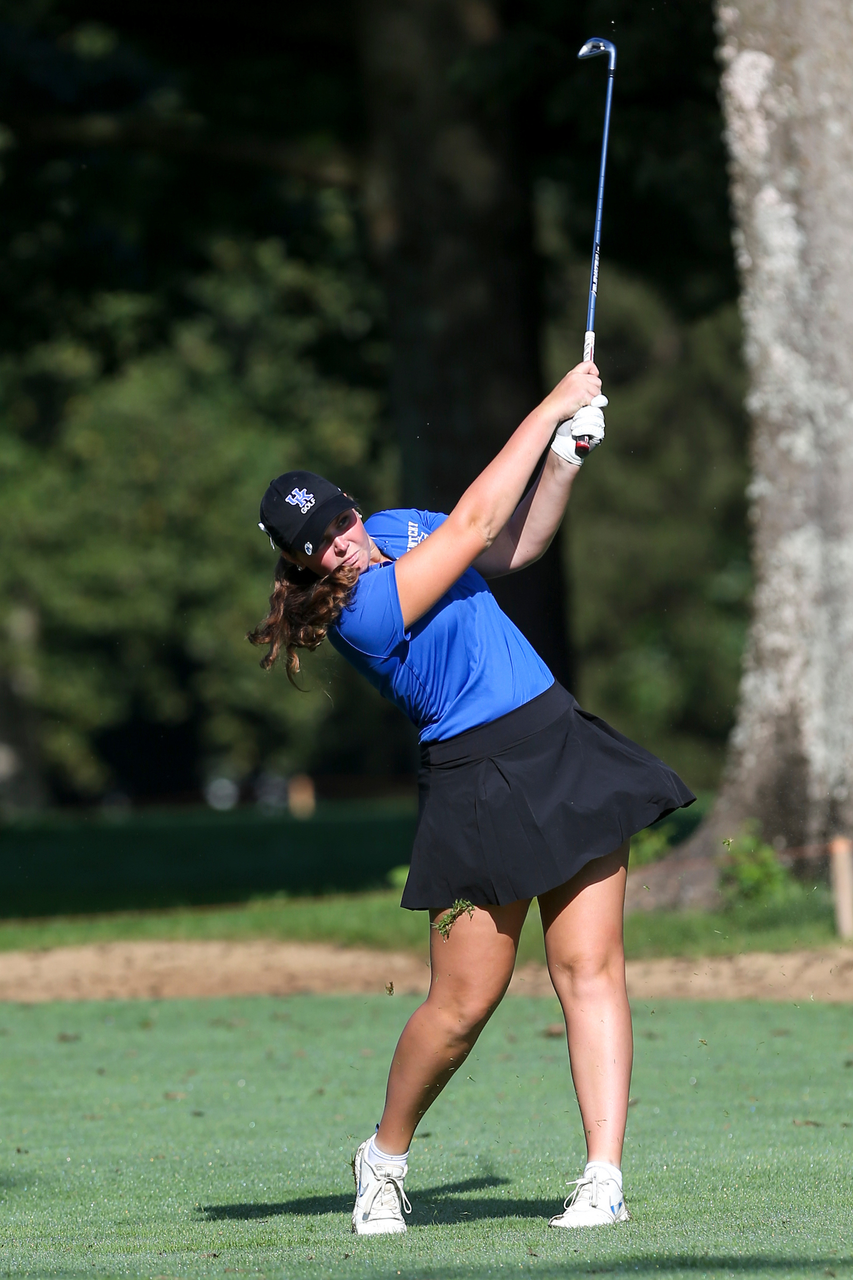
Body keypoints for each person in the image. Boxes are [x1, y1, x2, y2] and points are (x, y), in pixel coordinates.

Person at [248, 360, 694, 1236]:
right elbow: (480, 514)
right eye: (322, 545)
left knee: (590, 971)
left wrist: (564, 458)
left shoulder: (392, 525)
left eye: (340, 520)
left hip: (559, 744)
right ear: (300, 564)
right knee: (460, 1009)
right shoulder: (361, 613)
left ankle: (602, 1177)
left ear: (347, 503)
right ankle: (383, 1156)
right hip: (477, 786)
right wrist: (552, 403)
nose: (344, 541)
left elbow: (507, 545)